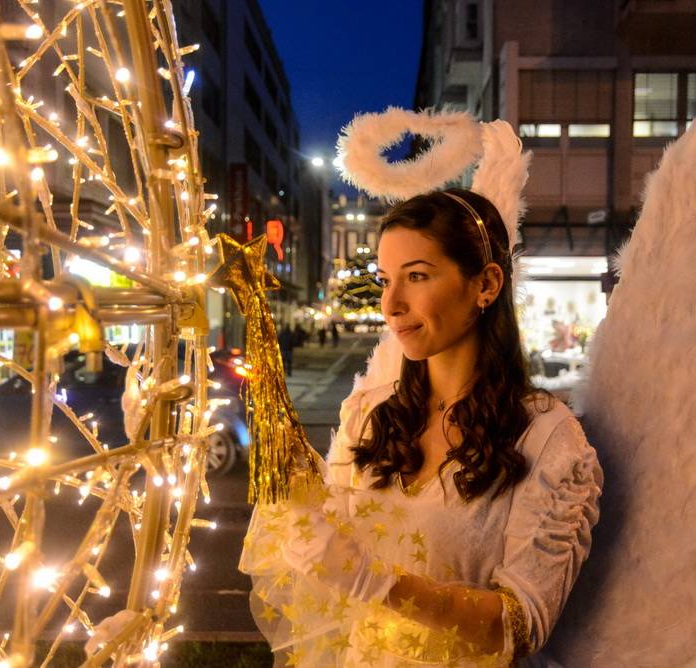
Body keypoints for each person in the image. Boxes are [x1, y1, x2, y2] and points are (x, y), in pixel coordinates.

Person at [241, 188, 602, 666]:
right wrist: (306, 533)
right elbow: (332, 570)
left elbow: (522, 624)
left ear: (486, 284)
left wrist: (380, 584)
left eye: (417, 276)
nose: (391, 303)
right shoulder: (368, 415)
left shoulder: (546, 437)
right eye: (386, 279)